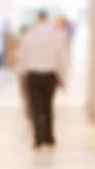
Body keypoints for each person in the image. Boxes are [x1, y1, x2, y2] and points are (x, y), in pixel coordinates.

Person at [16, 11, 68, 148]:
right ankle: (49, 138)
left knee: (35, 107)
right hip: (50, 74)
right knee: (48, 106)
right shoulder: (55, 35)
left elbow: (22, 55)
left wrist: (21, 72)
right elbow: (61, 57)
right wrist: (62, 77)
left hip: (33, 74)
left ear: (38, 18)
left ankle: (38, 138)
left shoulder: (30, 34)